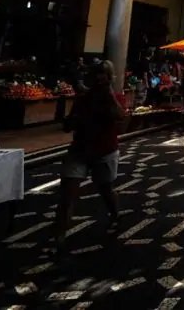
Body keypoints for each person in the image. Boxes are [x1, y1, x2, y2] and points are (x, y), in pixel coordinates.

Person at [55, 61, 126, 254]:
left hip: (105, 151)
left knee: (105, 189)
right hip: (79, 150)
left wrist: (108, 93)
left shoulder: (114, 98)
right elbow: (67, 126)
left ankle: (115, 214)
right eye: (96, 74)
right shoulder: (82, 98)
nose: (98, 78)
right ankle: (59, 239)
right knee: (67, 196)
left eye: (103, 74)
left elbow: (120, 116)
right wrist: (74, 119)